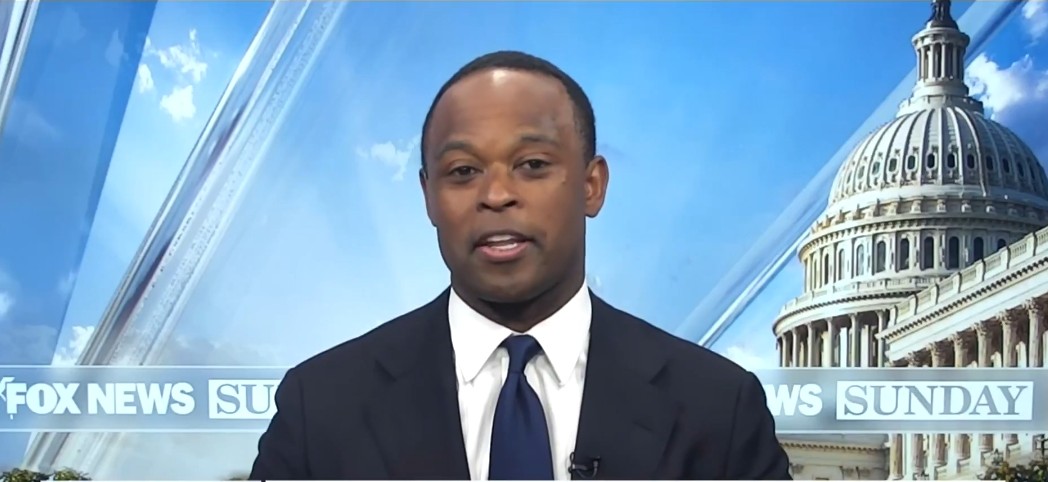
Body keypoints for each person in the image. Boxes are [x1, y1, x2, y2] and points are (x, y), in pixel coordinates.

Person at [249, 50, 792, 480]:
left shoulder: (718, 409)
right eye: (462, 171)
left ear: (591, 185)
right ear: (428, 197)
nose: (497, 194)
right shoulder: (320, 408)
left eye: (532, 165)